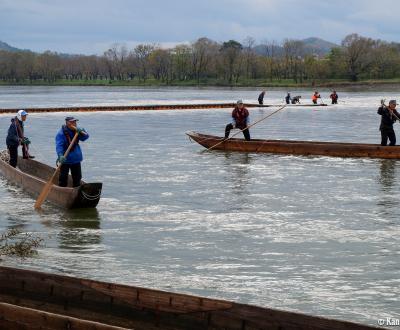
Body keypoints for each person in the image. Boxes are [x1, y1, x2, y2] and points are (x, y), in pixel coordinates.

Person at [55, 116, 89, 187]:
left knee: (77, 178)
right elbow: (59, 146)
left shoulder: (77, 131)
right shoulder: (61, 134)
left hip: (76, 159)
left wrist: (83, 131)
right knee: (63, 178)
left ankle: (76, 191)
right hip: (65, 159)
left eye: (75, 122)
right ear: (67, 123)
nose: (74, 124)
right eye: (72, 122)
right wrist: (60, 155)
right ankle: (62, 192)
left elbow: (85, 137)